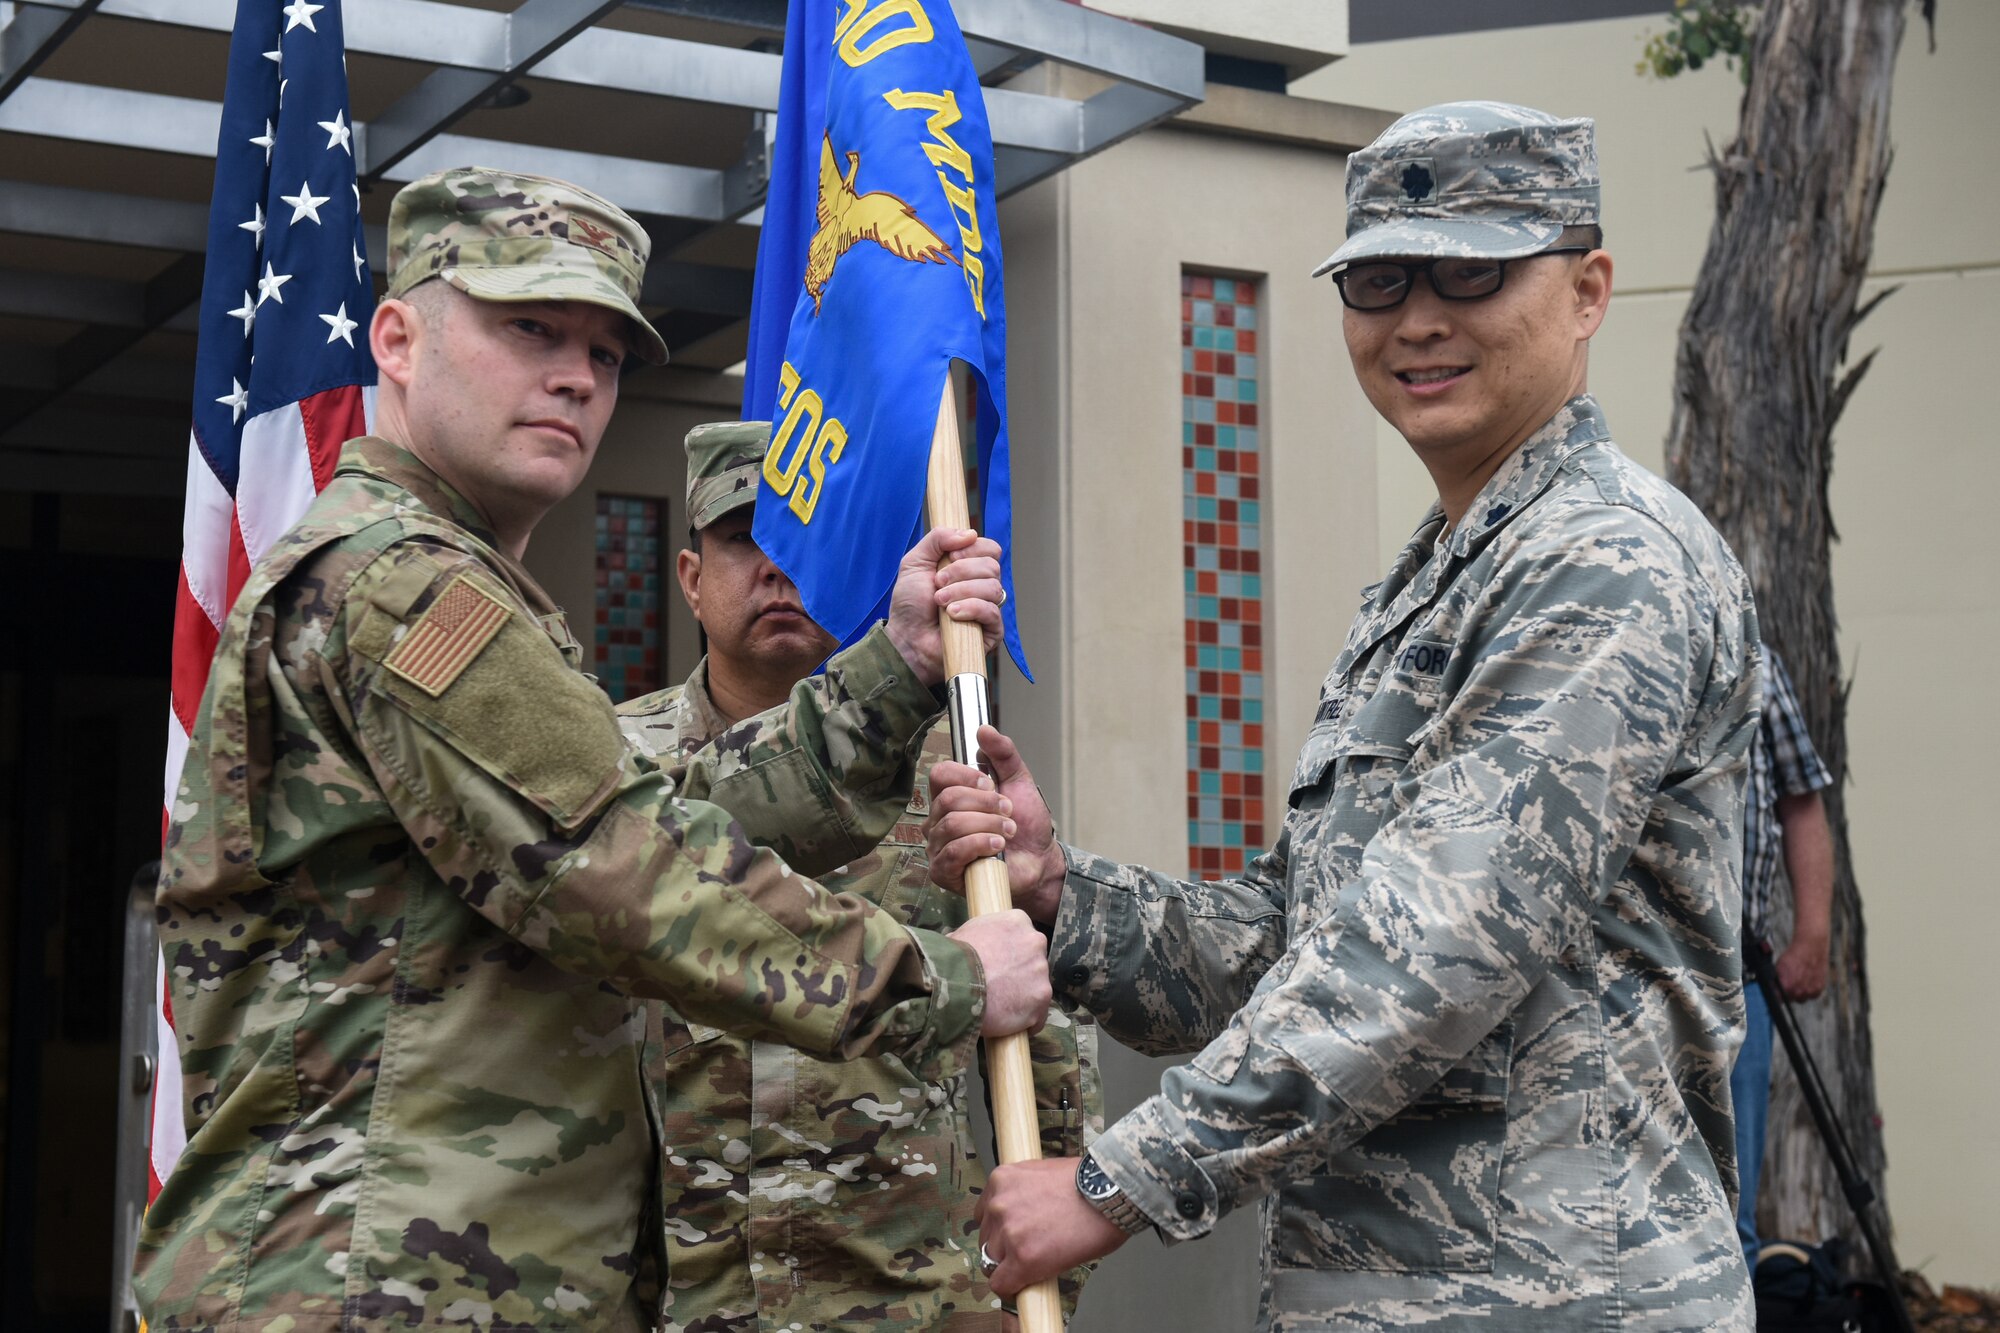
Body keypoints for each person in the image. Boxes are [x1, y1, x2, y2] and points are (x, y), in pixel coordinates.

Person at [139, 167, 1052, 1333]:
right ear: (398, 339)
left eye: (606, 351)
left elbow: (660, 812)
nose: (574, 374)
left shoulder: (438, 582)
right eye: (528, 326)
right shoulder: (404, 581)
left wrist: (894, 670)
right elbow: (628, 869)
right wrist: (950, 979)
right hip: (377, 1289)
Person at [926, 102, 1763, 1329]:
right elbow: (1291, 951)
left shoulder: (1603, 561)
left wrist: (1124, 1178)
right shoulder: (1443, 575)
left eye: (1471, 269)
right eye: (1376, 278)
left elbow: (1435, 945)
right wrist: (1065, 893)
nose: (1417, 318)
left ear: (1587, 291)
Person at [614, 421, 1101, 1332]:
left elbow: (1050, 1048)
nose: (776, 566)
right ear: (689, 577)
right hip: (682, 1295)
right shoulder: (616, 777)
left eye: (805, 532)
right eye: (743, 538)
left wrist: (1034, 1290)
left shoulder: (953, 780)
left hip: (908, 1298)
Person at [1732, 647, 1835, 1269]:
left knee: (1732, 1203)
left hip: (1739, 978)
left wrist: (1813, 935)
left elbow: (1801, 799)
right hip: (1626, 979)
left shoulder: (1755, 660)